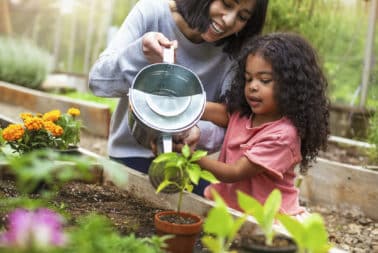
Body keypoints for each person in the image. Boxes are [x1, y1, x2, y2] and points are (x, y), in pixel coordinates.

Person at [88, 0, 269, 195]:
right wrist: (140, 53)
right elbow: (98, 81)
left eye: (242, 17)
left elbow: (233, 122)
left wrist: (196, 131)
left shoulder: (234, 51)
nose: (228, 21)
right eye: (226, 4)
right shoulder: (152, 12)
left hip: (188, 163)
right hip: (131, 156)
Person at [197, 32, 330, 215]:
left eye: (264, 80)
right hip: (229, 207)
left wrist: (191, 157)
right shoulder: (245, 114)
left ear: (290, 86)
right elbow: (219, 112)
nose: (253, 86)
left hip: (268, 219)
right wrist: (187, 107)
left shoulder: (284, 135)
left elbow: (234, 172)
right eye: (248, 78)